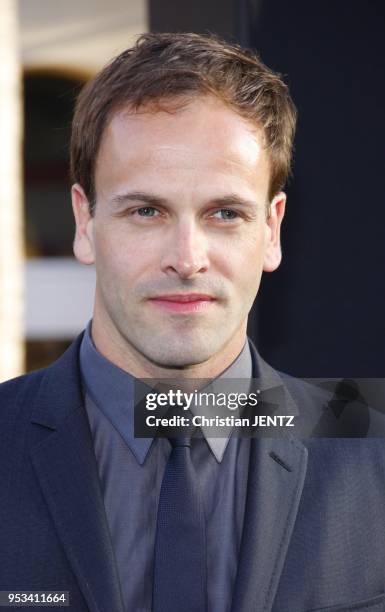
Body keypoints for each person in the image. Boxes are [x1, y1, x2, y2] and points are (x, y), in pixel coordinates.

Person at [1, 32, 385, 612]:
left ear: (272, 229)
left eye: (225, 213)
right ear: (85, 220)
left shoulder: (373, 464)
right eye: (147, 211)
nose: (187, 256)